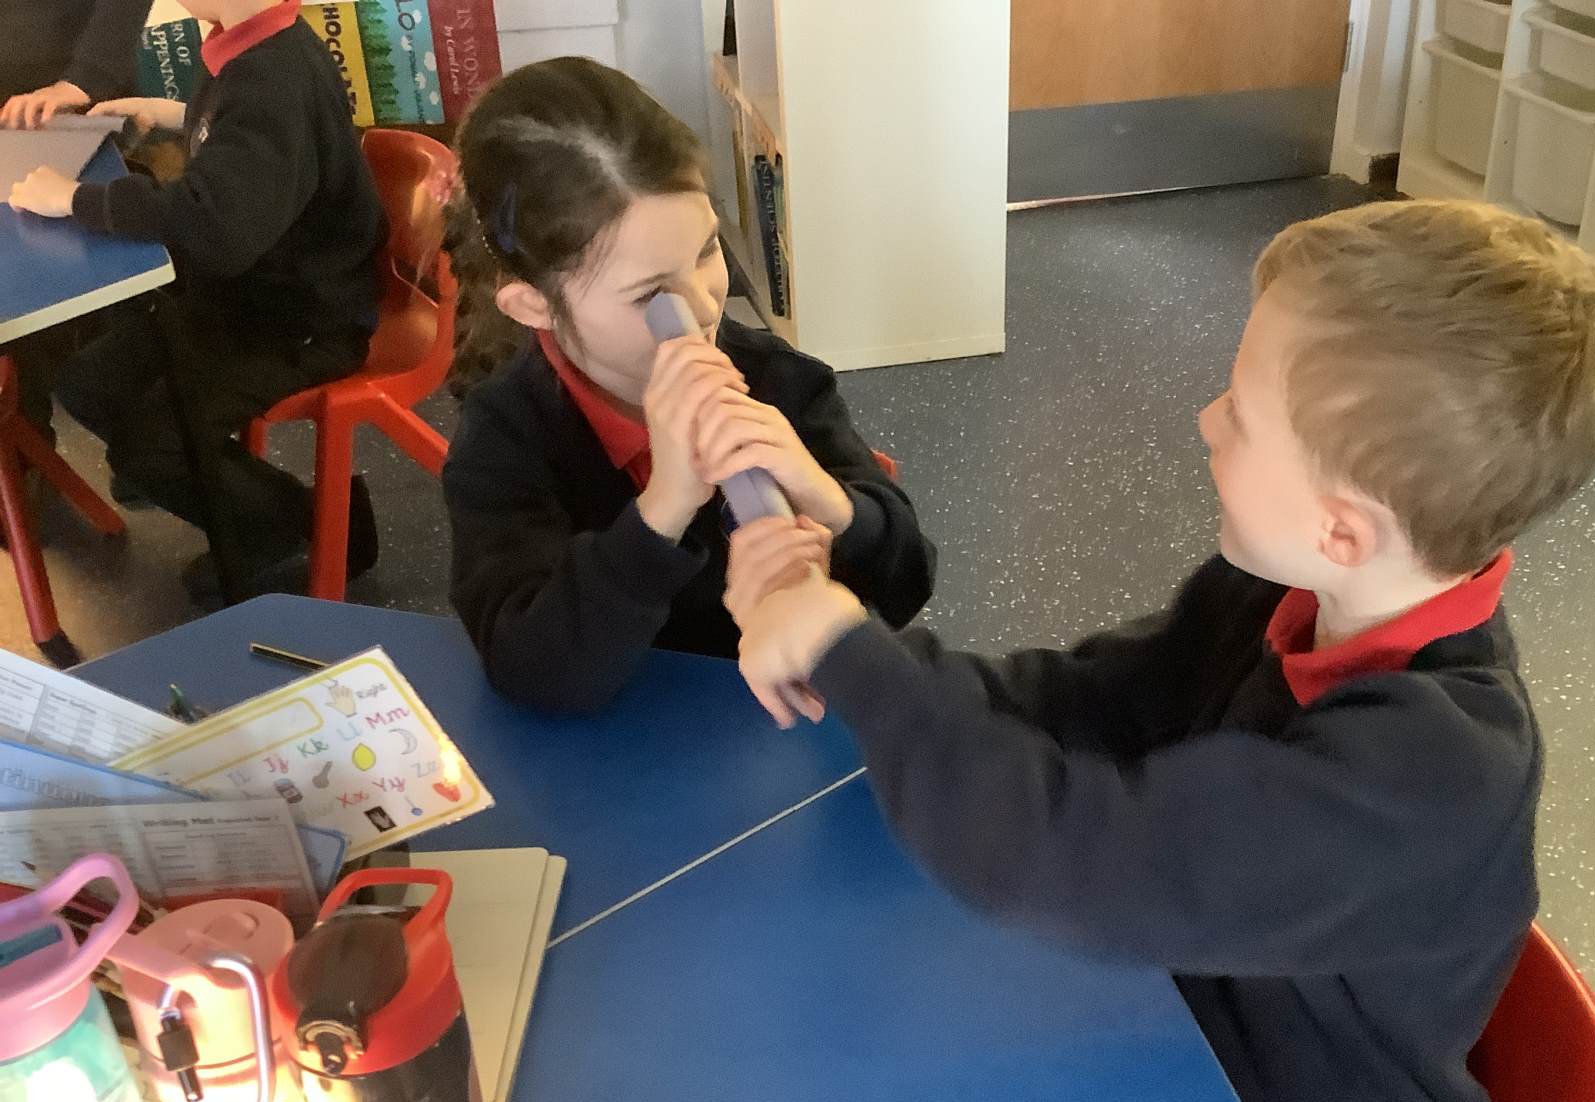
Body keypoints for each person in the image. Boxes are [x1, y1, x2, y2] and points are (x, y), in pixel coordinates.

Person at [727, 200, 1595, 1102]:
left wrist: (853, 659)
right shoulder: (1287, 592)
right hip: (1191, 1058)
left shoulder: (1427, 775)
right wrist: (878, 661)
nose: (1207, 419)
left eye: (1241, 414)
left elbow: (1075, 858)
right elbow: (1099, 700)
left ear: (1343, 529)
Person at [440, 57, 934, 713]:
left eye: (705, 250)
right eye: (651, 293)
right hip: (627, 739)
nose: (703, 304)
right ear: (534, 305)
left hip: (779, 725)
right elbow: (530, 671)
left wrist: (829, 500)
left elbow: (907, 582)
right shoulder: (505, 438)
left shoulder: (778, 381)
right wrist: (663, 511)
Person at [5, 0, 385, 598]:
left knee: (151, 450)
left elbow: (218, 228)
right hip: (254, 293)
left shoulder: (270, 78)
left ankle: (312, 526)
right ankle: (222, 493)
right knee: (87, 386)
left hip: (302, 318)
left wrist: (75, 200)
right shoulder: (252, 42)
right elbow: (241, 145)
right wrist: (171, 114)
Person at [0, 0, 151, 446]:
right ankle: (29, 439)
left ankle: (46, 434)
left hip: (66, 109)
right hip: (18, 105)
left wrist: (84, 80)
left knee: (53, 273)